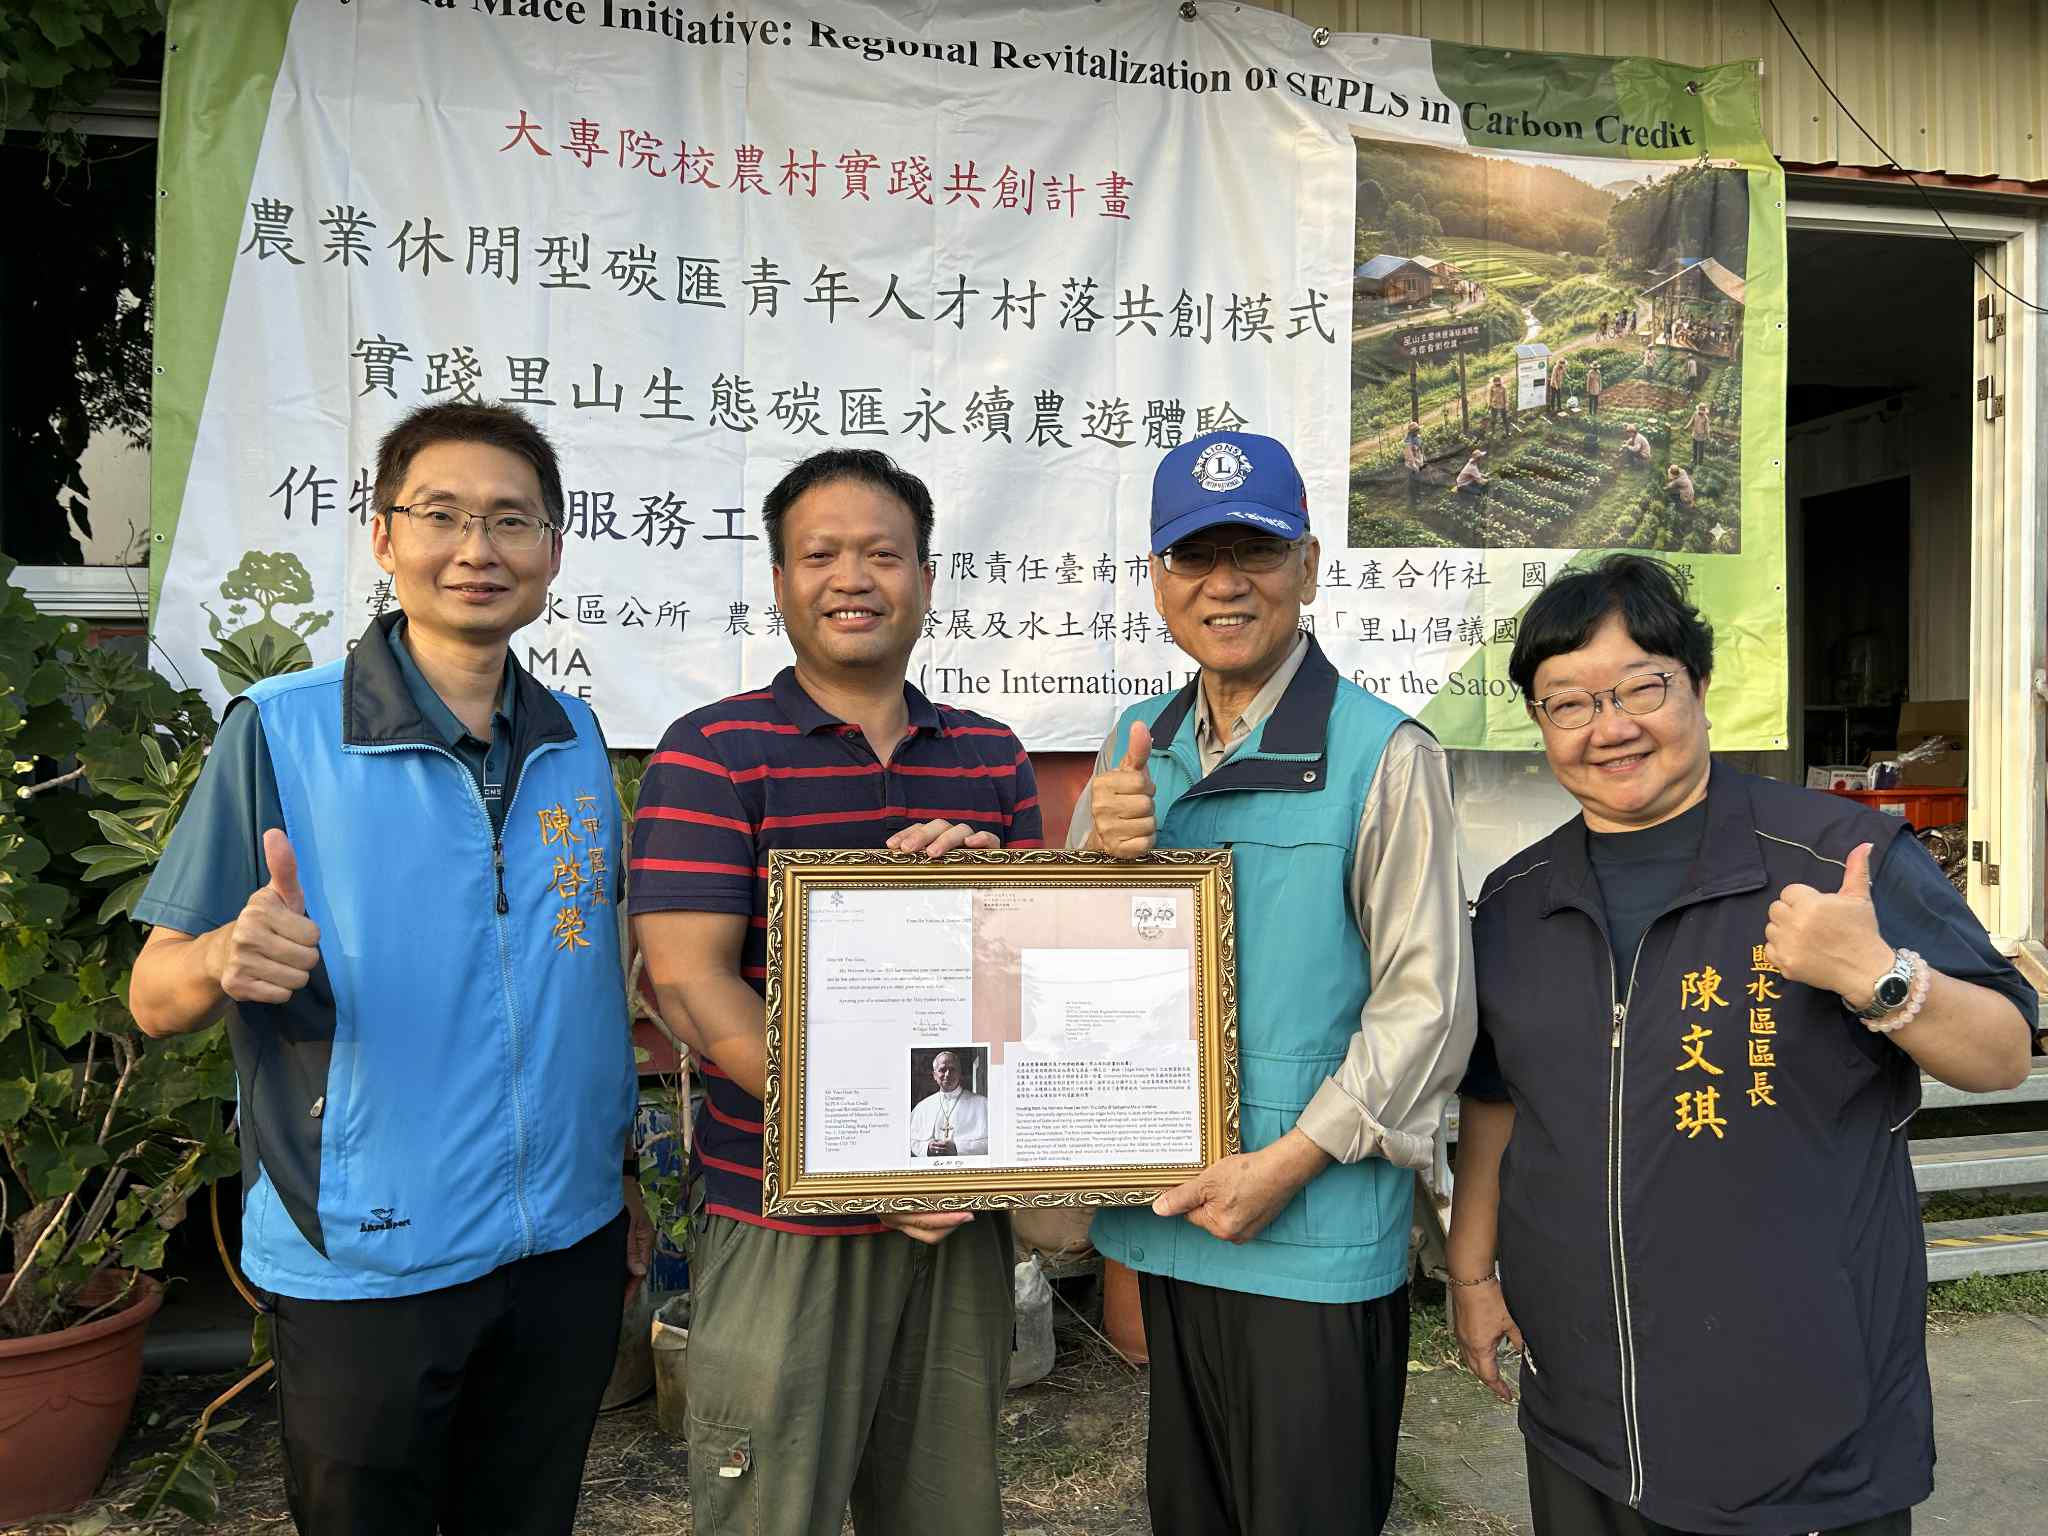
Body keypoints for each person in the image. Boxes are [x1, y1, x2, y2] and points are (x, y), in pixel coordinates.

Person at [128, 402, 648, 1536]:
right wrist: (224, 952)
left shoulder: (574, 743)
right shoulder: (283, 731)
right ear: (381, 536)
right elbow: (152, 995)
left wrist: (617, 1178)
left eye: (512, 521)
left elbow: (588, 981)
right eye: (442, 516)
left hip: (562, 1240)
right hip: (369, 1257)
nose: (478, 549)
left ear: (553, 552)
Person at [1447, 555, 2035, 1536]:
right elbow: (1496, 1098)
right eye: (1567, 702)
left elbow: (2004, 1051)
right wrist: (1470, 1273)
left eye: (1642, 686)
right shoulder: (1515, 901)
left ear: (1699, 686)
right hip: (1583, 1418)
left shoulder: (1832, 857)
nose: (1610, 726)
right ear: (1540, 723)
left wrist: (1879, 976)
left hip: (1798, 1431)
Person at [1069, 430, 1475, 1536]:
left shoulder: (1380, 752)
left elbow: (1427, 1006)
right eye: (1193, 556)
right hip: (1170, 1215)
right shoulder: (1132, 744)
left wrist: (1289, 1161)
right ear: (1158, 580)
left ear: (1305, 564)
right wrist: (1096, 863)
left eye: (1254, 550)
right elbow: (1065, 971)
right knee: (1189, 1512)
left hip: (1311, 1227)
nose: (1224, 583)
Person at [630, 447, 1041, 1536]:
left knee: (947, 1510)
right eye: (820, 554)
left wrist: (985, 893)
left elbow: (1027, 988)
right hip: (783, 1220)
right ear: (779, 582)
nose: (851, 578)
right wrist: (863, 1152)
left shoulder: (991, 760)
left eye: (881, 554)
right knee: (768, 1508)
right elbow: (688, 981)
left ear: (924, 576)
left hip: (954, 1209)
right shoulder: (713, 754)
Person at [908, 1050, 989, 1156]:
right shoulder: (922, 1107)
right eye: (942, 1070)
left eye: (952, 1069)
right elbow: (910, 1140)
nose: (947, 1074)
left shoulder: (983, 1104)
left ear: (959, 1073)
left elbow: (994, 1142)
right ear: (934, 1075)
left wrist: (958, 1148)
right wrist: (927, 1148)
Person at [1401, 419, 1427, 507]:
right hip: (1412, 466)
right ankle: (1414, 501)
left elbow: (1420, 448)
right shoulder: (1407, 442)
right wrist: (1415, 466)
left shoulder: (1417, 437)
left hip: (1419, 462)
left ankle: (1419, 496)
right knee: (1413, 483)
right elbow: (1409, 456)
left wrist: (1423, 458)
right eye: (1416, 430)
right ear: (1413, 431)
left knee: (1418, 481)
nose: (1418, 431)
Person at [1689, 401, 1712, 466]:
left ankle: (1700, 462)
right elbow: (1691, 420)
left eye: (1702, 412)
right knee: (1695, 448)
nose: (1700, 413)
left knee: (1701, 449)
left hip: (1702, 435)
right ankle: (1694, 459)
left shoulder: (1706, 418)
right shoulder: (1695, 414)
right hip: (1695, 433)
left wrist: (1708, 437)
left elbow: (1707, 429)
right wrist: (1687, 426)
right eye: (1700, 411)